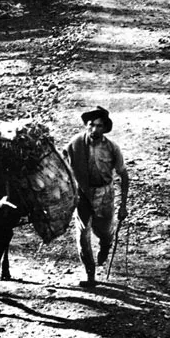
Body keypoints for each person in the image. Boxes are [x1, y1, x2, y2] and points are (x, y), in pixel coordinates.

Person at [64, 106, 129, 288]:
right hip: (82, 195)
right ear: (86, 125)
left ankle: (105, 247)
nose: (94, 130)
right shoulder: (75, 144)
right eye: (91, 125)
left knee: (104, 232)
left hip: (105, 195)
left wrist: (123, 205)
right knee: (82, 236)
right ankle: (90, 274)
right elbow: (61, 163)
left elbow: (123, 175)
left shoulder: (112, 148)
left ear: (104, 128)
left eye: (99, 126)